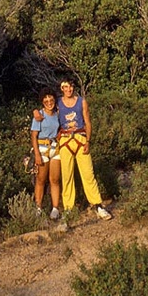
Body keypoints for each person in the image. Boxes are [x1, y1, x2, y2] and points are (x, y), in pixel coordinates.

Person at [56, 77, 111, 220]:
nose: (69, 90)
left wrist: (88, 141)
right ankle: (68, 208)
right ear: (62, 88)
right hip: (65, 141)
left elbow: (87, 122)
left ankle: (97, 205)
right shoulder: (58, 103)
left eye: (71, 87)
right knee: (67, 176)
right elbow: (48, 114)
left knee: (88, 174)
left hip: (80, 139)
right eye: (66, 87)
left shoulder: (81, 102)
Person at [30, 87, 61, 220]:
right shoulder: (39, 116)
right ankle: (38, 208)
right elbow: (34, 135)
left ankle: (55, 208)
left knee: (54, 179)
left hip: (55, 148)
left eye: (51, 99)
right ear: (42, 101)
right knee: (41, 180)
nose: (49, 102)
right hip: (42, 148)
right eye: (46, 99)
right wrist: (36, 154)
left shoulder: (58, 114)